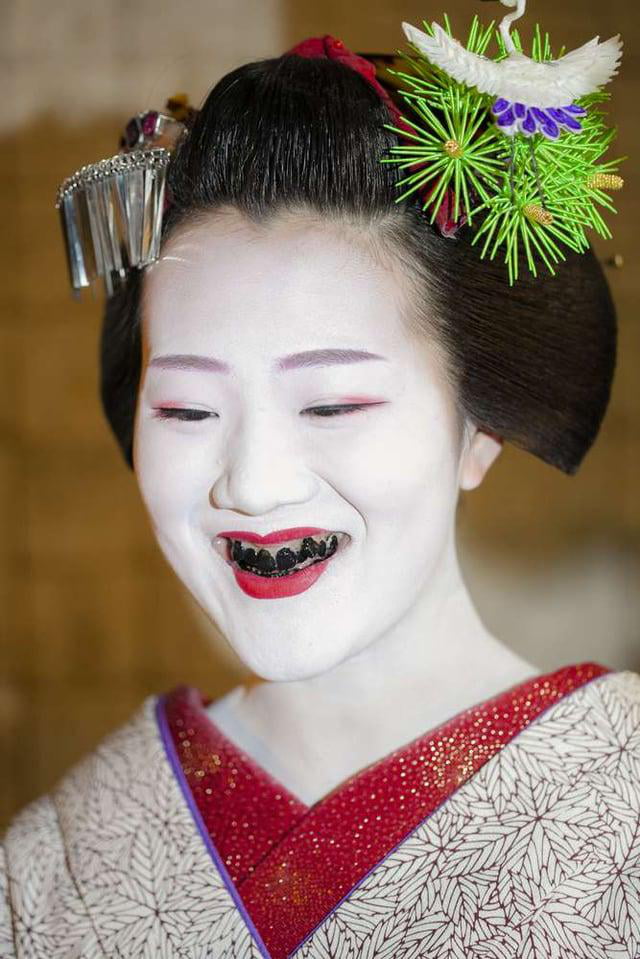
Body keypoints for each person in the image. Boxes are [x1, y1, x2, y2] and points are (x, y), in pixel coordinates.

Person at [2, 18, 638, 959]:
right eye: (184, 409)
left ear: (481, 425)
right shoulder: (55, 868)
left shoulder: (618, 797)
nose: (254, 487)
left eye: (333, 404)